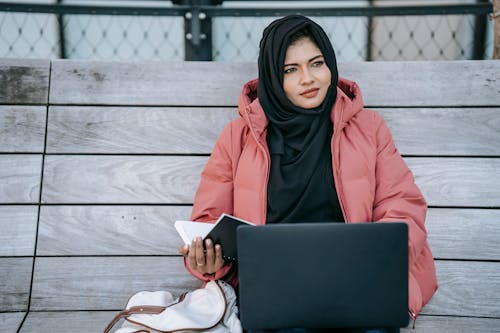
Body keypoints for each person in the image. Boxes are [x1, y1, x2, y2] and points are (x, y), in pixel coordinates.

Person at [179, 15, 438, 333]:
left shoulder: (369, 129)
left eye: (316, 64)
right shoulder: (237, 138)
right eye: (291, 69)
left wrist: (373, 264)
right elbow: (208, 223)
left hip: (359, 287)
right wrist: (209, 260)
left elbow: (404, 207)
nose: (308, 78)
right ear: (273, 77)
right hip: (274, 295)